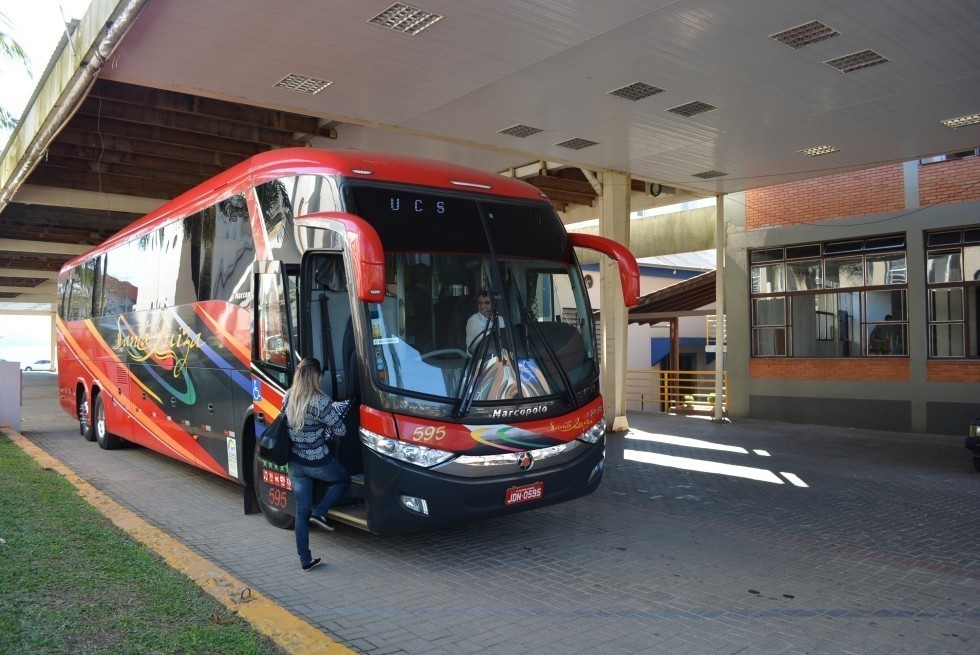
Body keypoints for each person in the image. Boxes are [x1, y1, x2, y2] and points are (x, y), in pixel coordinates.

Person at [284, 357, 351, 572]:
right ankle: (321, 510)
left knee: (301, 514)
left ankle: (305, 560)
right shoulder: (321, 401)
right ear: (316, 377)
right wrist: (326, 428)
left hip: (295, 462)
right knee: (343, 480)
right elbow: (341, 430)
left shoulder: (288, 396)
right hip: (318, 461)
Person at [405, 263, 434, 351]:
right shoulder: (414, 292)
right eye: (420, 273)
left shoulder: (430, 291)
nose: (423, 276)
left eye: (425, 273)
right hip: (416, 327)